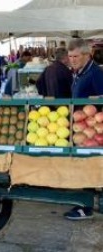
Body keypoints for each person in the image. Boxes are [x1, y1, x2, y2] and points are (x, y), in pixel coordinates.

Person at [63, 38, 103, 221]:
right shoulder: (79, 73)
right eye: (70, 56)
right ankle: (86, 204)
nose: (72, 59)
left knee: (91, 165)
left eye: (76, 56)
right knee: (88, 166)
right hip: (83, 129)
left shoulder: (95, 74)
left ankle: (86, 208)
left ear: (88, 55)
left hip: (93, 130)